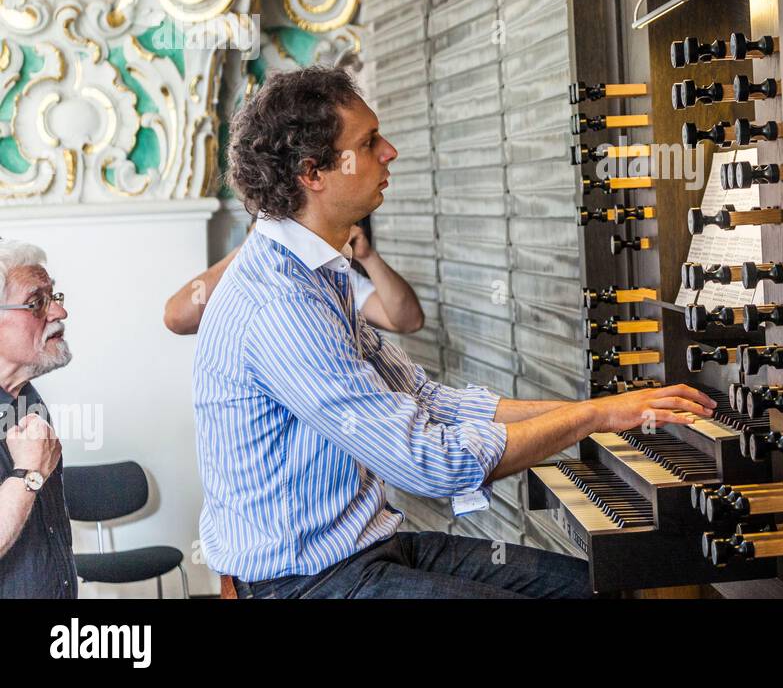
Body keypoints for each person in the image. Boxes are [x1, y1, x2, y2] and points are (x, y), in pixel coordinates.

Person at [196, 66, 717, 598]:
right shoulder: (281, 303)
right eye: (369, 141)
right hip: (301, 583)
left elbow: (424, 398)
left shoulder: (318, 272)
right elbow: (428, 464)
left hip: (364, 549)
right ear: (313, 172)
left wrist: (599, 410)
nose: (390, 151)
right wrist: (593, 416)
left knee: (596, 588)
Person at [163, 218, 424, 335]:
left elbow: (408, 321)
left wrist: (367, 257)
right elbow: (177, 318)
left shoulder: (330, 275)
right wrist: (255, 241)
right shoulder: (246, 276)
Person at [0, 240, 77, 598]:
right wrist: (28, 473)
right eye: (37, 303)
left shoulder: (27, 396)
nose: (59, 312)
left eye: (54, 296)